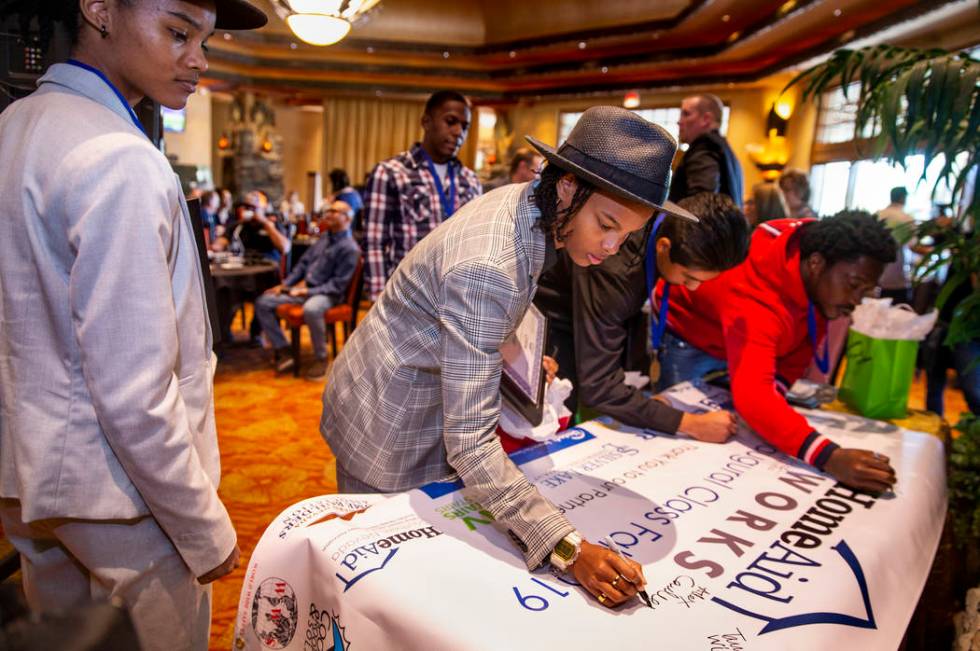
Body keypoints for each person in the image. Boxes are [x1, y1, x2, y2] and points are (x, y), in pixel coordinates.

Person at [322, 107, 696, 608]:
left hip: (414, 388)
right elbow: (471, 446)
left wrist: (510, 350)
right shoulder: (490, 265)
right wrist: (566, 545)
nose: (611, 245)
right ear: (566, 187)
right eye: (606, 223)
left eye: (627, 234)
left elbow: (489, 307)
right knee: (378, 591)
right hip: (390, 418)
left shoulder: (527, 204)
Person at [0, 0, 266, 649]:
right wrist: (202, 525)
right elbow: (134, 390)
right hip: (128, 497)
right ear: (98, 8)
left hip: (26, 474)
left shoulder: (13, 123)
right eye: (178, 31)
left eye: (203, 38)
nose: (199, 58)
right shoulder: (121, 157)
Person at [655, 211, 899, 493]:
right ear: (817, 264)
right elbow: (754, 397)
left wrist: (775, 396)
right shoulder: (756, 293)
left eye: (867, 290)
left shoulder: (817, 278)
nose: (856, 300)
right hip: (690, 333)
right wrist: (828, 456)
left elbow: (798, 349)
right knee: (678, 443)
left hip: (735, 335)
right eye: (854, 285)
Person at [534, 192, 749, 441]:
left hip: (578, 312)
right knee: (552, 421)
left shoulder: (662, 222)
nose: (692, 288)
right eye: (689, 277)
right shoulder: (614, 269)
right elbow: (599, 387)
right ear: (664, 247)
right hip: (547, 323)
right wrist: (689, 423)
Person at [362, 89, 482, 300]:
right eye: (451, 121)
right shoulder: (391, 172)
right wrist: (378, 300)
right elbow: (374, 243)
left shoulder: (470, 181)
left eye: (465, 127)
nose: (458, 132)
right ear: (426, 122)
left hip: (455, 299)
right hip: (406, 298)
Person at [254, 200, 360, 380]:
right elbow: (302, 265)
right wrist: (286, 285)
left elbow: (337, 285)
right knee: (263, 301)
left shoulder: (350, 248)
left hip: (329, 295)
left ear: (347, 218)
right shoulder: (325, 238)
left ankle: (321, 359)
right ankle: (285, 350)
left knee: (311, 308)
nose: (329, 213)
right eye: (329, 210)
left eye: (335, 211)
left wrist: (305, 292)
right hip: (306, 290)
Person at [668, 93, 743, 207]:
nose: (679, 121)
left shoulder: (705, 147)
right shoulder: (724, 148)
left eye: (686, 114)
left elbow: (702, 199)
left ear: (706, 119)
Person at [877, 186, 917, 305]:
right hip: (897, 271)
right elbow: (913, 246)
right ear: (902, 198)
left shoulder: (878, 215)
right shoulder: (907, 218)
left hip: (877, 272)